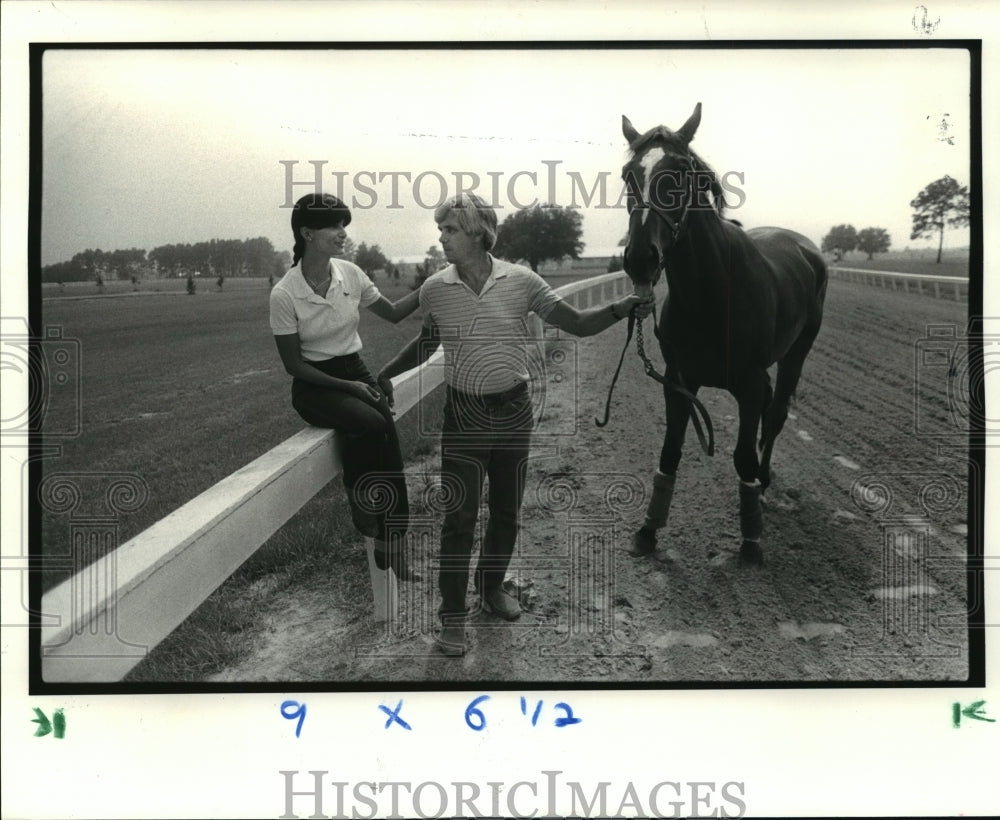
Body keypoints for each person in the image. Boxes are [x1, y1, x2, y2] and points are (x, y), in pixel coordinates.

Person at [377, 193, 654, 656]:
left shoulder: (522, 281)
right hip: (464, 415)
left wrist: (622, 308)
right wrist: (385, 373)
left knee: (507, 510)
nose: (441, 238)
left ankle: (490, 589)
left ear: (478, 232)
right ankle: (451, 618)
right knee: (459, 519)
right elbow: (427, 343)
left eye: (450, 230)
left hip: (514, 411)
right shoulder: (435, 289)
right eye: (440, 230)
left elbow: (579, 324)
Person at [269, 192, 422, 581]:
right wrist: (351, 388)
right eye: (334, 226)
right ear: (307, 233)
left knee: (387, 431)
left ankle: (394, 540)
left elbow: (393, 313)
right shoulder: (284, 293)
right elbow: (294, 365)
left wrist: (436, 285)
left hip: (354, 369)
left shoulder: (350, 273)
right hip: (314, 384)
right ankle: (357, 496)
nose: (342, 234)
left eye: (344, 226)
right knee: (370, 423)